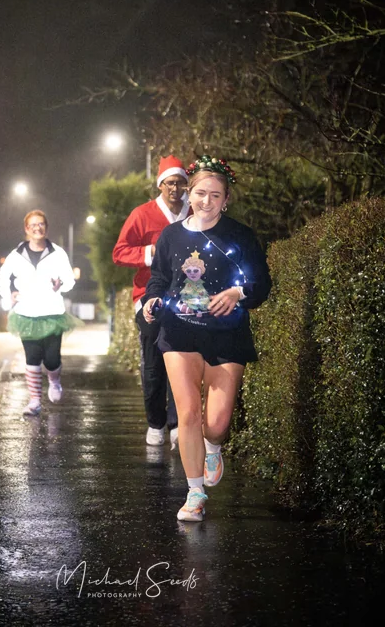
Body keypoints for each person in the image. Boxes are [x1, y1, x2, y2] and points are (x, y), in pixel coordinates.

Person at [142, 155, 271, 521]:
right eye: (200, 193)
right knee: (187, 415)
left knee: (215, 424)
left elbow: (261, 285)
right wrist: (152, 300)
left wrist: (237, 293)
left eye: (215, 195)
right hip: (179, 332)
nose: (206, 201)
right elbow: (159, 280)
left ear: (226, 199)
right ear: (189, 193)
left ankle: (214, 447)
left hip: (226, 337)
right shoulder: (170, 235)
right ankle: (194, 493)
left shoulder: (241, 236)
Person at [113, 155, 190, 449]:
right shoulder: (142, 214)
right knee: (155, 361)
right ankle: (156, 423)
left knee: (182, 361)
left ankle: (177, 423)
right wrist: (150, 252)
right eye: (170, 183)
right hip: (148, 297)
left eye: (180, 182)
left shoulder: (193, 212)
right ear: (160, 185)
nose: (175, 188)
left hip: (187, 299)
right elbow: (119, 252)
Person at [0, 209, 77, 416]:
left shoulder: (57, 253)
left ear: (46, 227)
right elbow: (3, 278)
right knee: (32, 357)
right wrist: (10, 296)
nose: (37, 228)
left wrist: (61, 284)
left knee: (51, 359)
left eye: (40, 224)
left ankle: (54, 380)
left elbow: (69, 279)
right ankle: (34, 401)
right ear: (26, 229)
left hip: (52, 313)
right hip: (26, 314)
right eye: (33, 225)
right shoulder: (16, 255)